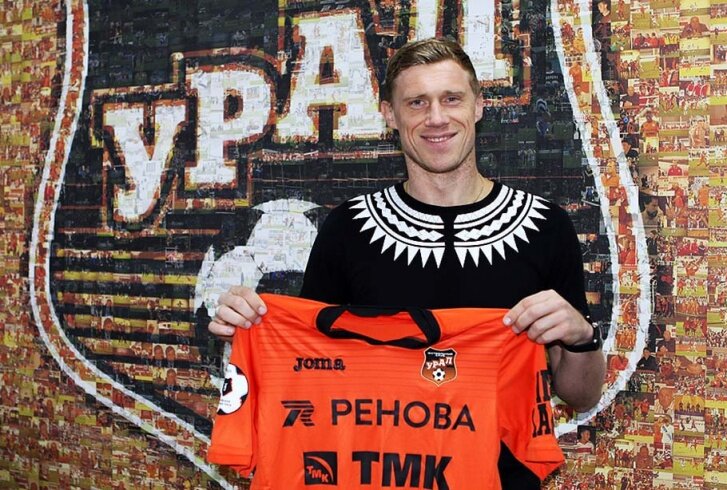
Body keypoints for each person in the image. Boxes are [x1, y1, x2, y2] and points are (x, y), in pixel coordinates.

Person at [209, 37, 606, 489]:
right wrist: (250, 329)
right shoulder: (348, 229)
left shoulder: (545, 227)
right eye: (416, 102)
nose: (436, 118)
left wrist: (581, 336)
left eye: (451, 99)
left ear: (478, 106)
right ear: (390, 115)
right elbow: (311, 374)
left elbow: (582, 394)